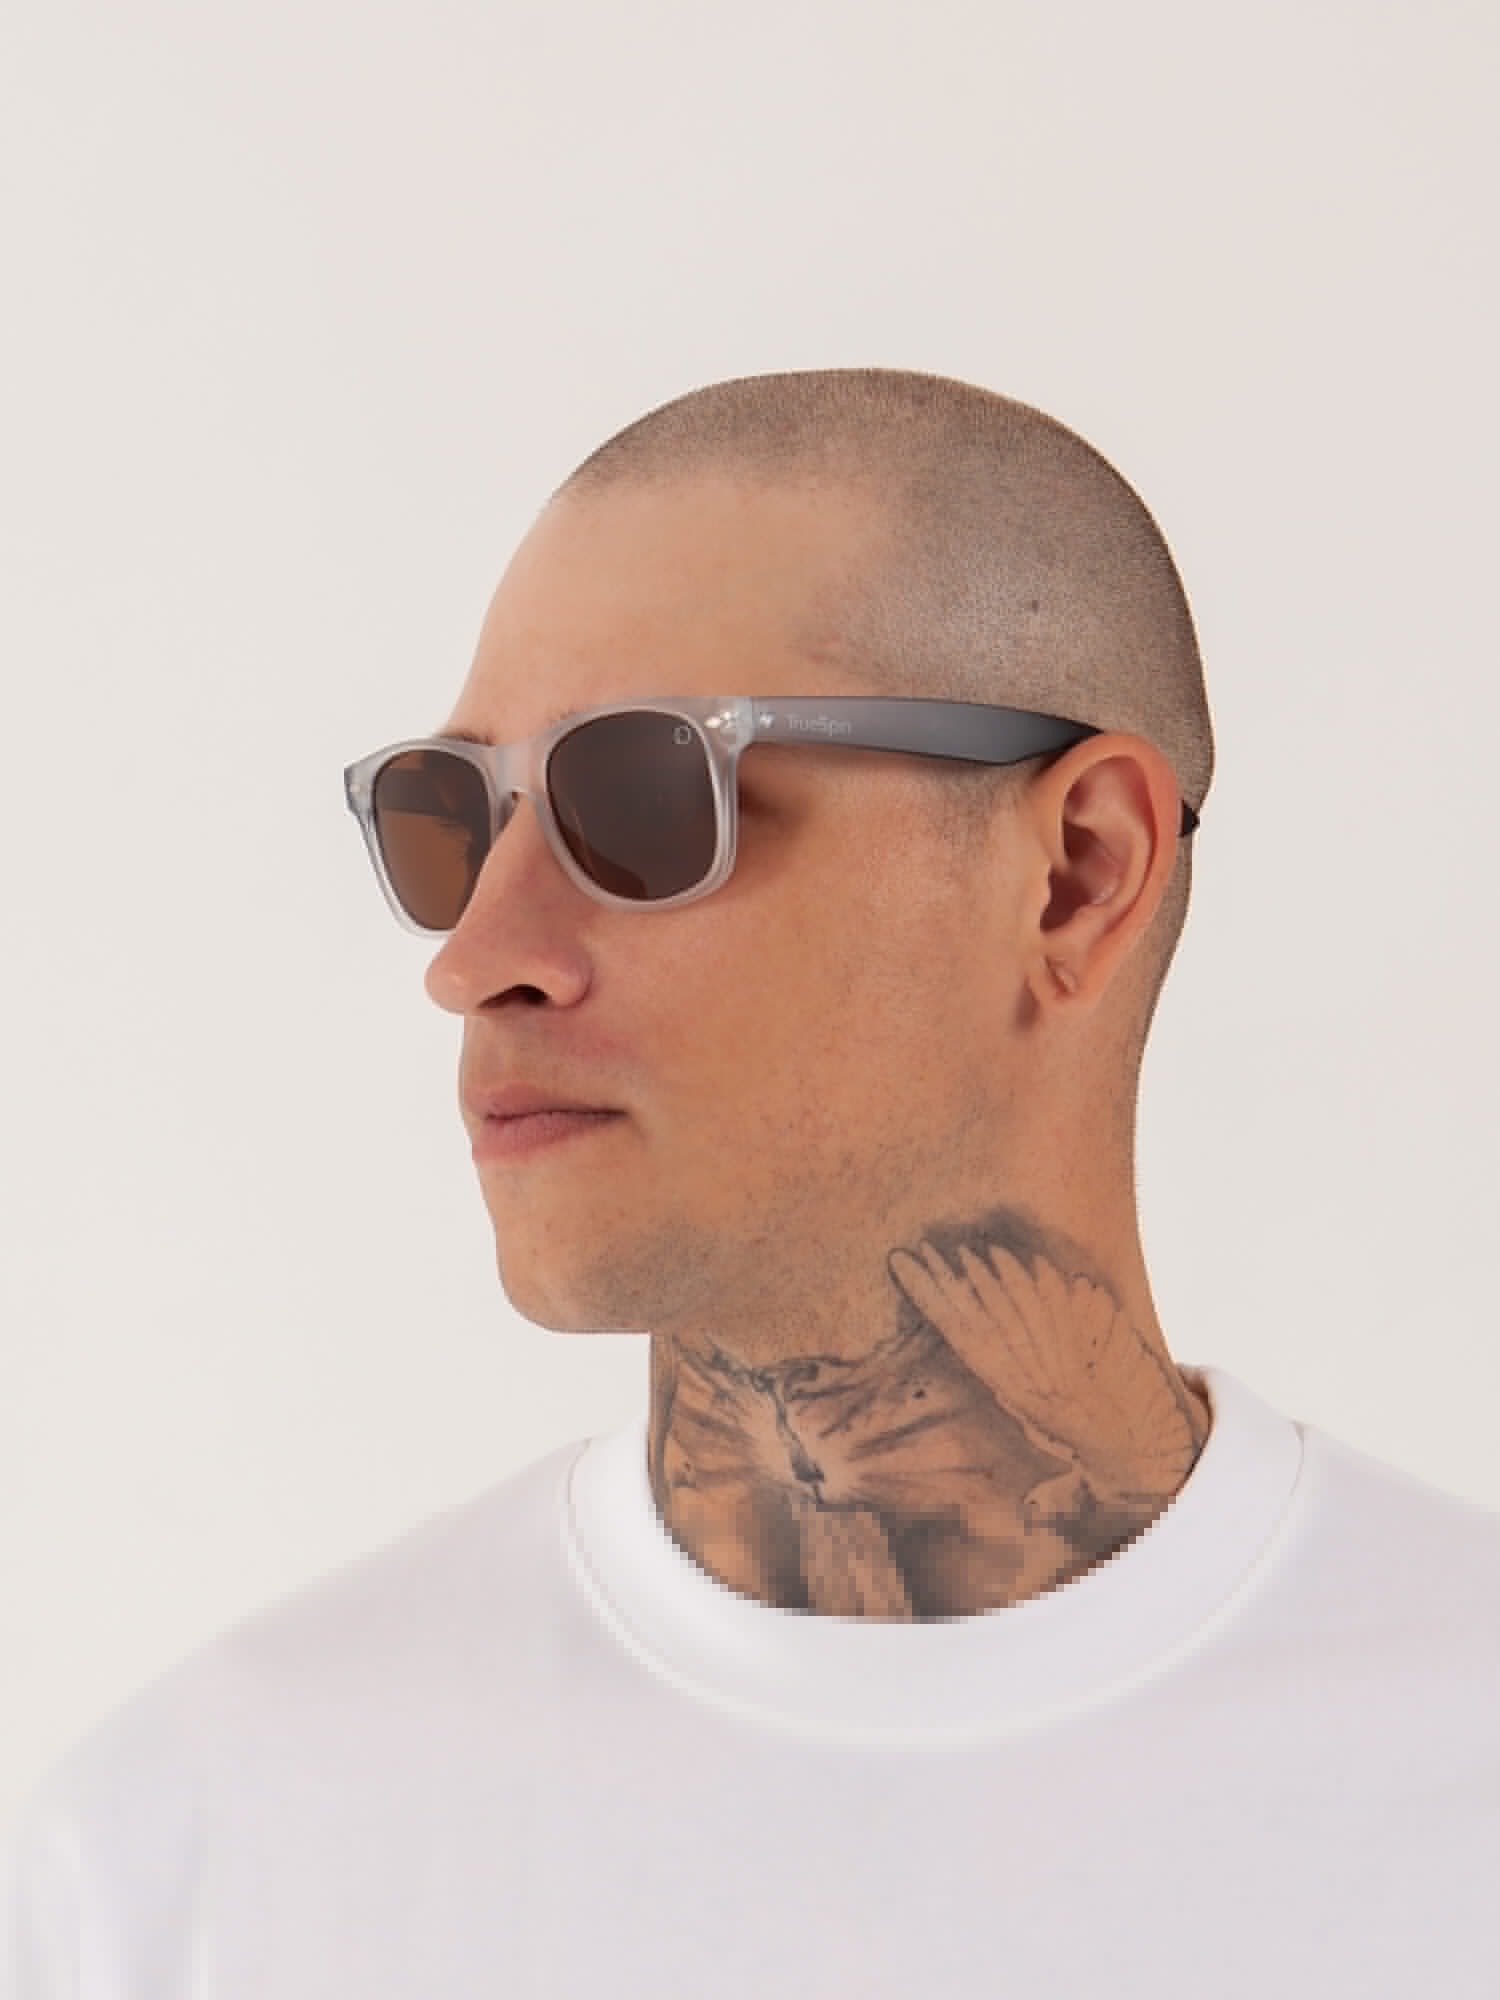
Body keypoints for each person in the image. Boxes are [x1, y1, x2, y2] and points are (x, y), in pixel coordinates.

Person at [4, 369, 1497, 1996]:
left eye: (642, 799)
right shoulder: (189, 1868)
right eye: (455, 819)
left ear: (1079, 875)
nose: (476, 959)